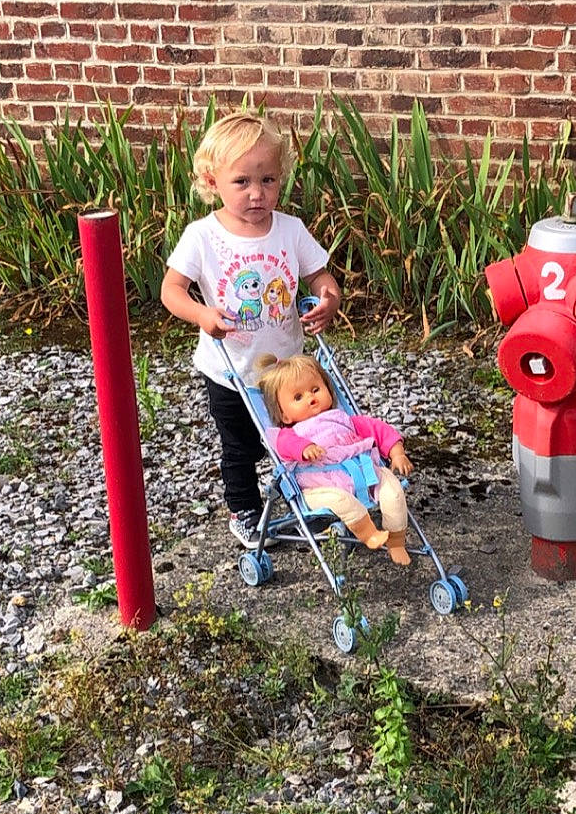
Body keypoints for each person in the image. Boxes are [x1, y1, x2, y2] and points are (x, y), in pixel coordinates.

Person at [160, 112, 340, 546]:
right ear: (212, 180)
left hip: (287, 369)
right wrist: (202, 315)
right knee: (241, 447)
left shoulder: (290, 230)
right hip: (230, 371)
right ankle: (244, 507)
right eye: (242, 182)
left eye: (269, 181)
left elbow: (320, 277)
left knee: (305, 436)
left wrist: (329, 300)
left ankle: (315, 496)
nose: (257, 194)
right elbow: (172, 291)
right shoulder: (202, 236)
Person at [257, 353, 414, 566]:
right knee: (340, 501)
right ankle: (368, 534)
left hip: (365, 473)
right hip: (320, 487)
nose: (311, 398)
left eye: (315, 390)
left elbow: (380, 430)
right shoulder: (292, 432)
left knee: (393, 491)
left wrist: (397, 453)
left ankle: (396, 540)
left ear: (328, 391)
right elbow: (285, 446)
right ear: (285, 416)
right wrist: (304, 448)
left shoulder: (346, 420)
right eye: (298, 397)